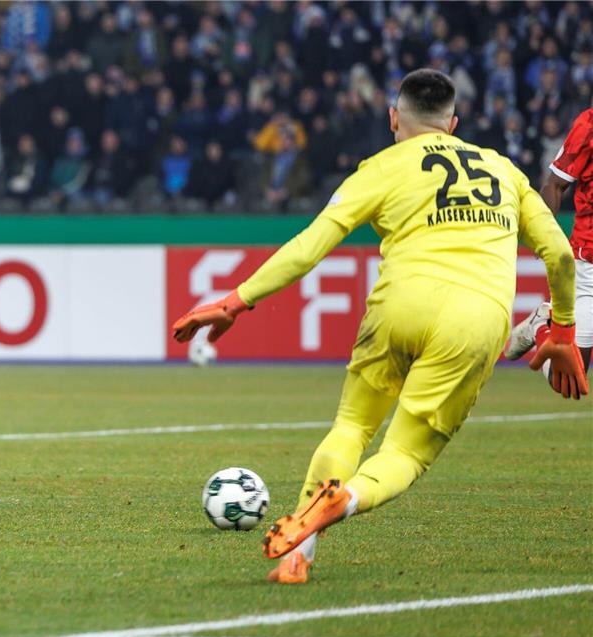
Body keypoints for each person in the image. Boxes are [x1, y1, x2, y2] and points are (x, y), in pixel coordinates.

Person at [172, 69, 587, 585]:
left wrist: (237, 301)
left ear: (394, 118)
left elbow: (310, 246)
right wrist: (563, 331)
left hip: (399, 304)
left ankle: (296, 559)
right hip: (476, 320)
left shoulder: (381, 167)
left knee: (350, 427)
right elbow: (560, 256)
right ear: (453, 124)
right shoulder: (503, 170)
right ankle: (345, 500)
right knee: (405, 454)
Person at [506, 108, 593, 379]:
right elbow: (554, 185)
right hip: (589, 264)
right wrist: (543, 233)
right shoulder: (588, 126)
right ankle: (541, 325)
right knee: (567, 378)